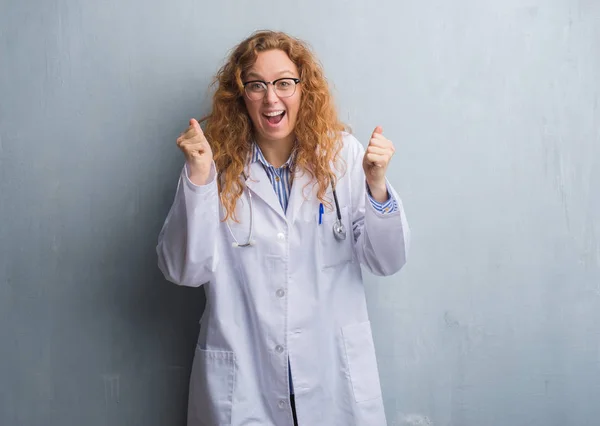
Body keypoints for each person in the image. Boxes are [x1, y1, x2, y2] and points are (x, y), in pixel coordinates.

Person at [157, 30, 410, 426]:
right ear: (240, 95)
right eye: (256, 85)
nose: (271, 98)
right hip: (245, 383)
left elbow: (387, 260)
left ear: (303, 88)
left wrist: (377, 186)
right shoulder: (214, 165)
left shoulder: (343, 156)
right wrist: (197, 178)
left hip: (331, 379)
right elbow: (184, 270)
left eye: (283, 83)